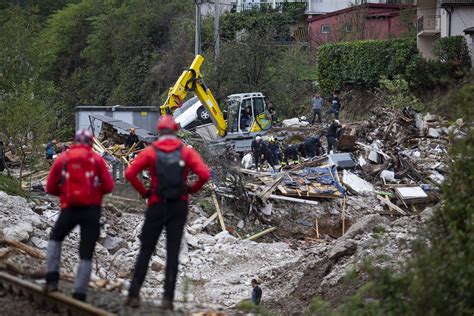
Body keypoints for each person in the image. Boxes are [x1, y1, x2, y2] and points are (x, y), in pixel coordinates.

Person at [124, 115, 210, 310]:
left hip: (156, 203)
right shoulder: (186, 153)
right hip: (178, 205)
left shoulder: (151, 152)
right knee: (172, 253)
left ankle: (133, 295)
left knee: (146, 249)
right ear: (176, 131)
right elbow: (204, 174)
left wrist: (144, 191)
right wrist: (191, 189)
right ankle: (167, 300)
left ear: (159, 132)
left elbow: (129, 173)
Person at [44, 129, 114, 302]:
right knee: (86, 251)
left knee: (55, 238)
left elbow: (50, 187)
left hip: (69, 208)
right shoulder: (97, 159)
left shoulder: (63, 158)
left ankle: (52, 278)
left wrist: (65, 194)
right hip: (92, 210)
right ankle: (80, 292)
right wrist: (95, 194)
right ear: (91, 143)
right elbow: (109, 186)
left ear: (75, 141)